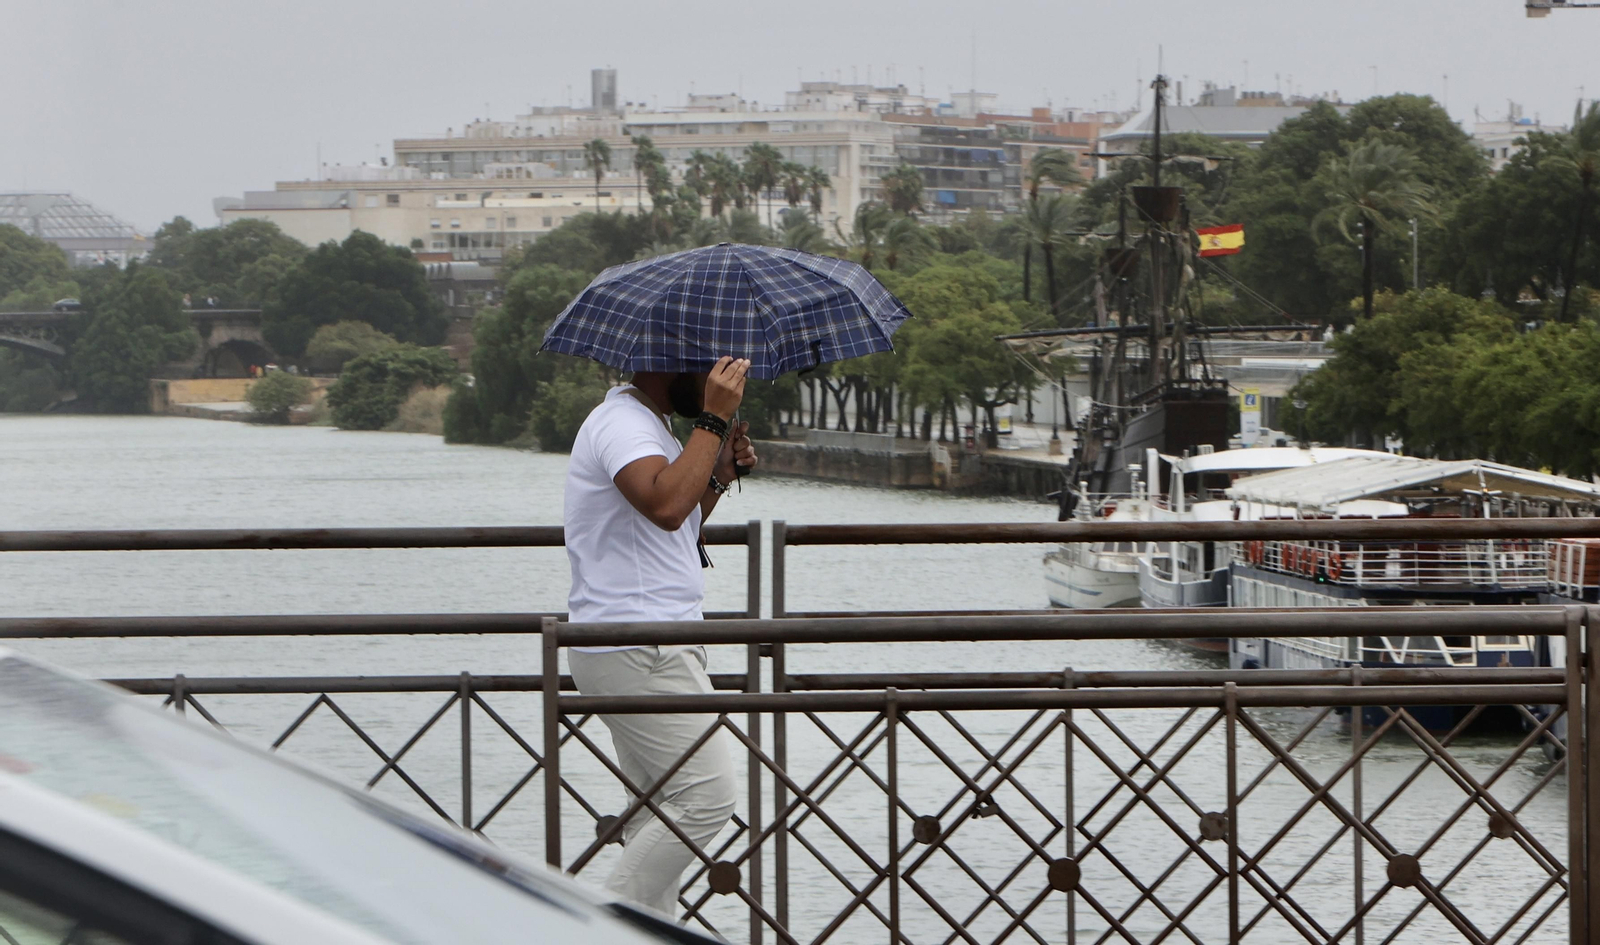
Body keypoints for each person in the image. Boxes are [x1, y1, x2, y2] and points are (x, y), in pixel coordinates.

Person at [563, 356, 757, 917]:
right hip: (639, 648)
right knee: (706, 797)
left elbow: (678, 527)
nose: (723, 382)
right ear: (669, 364)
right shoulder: (620, 423)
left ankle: (643, 931)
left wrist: (718, 472)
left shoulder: (651, 424)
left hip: (644, 642)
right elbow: (667, 507)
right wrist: (715, 421)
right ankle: (592, 928)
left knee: (659, 814)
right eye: (712, 369)